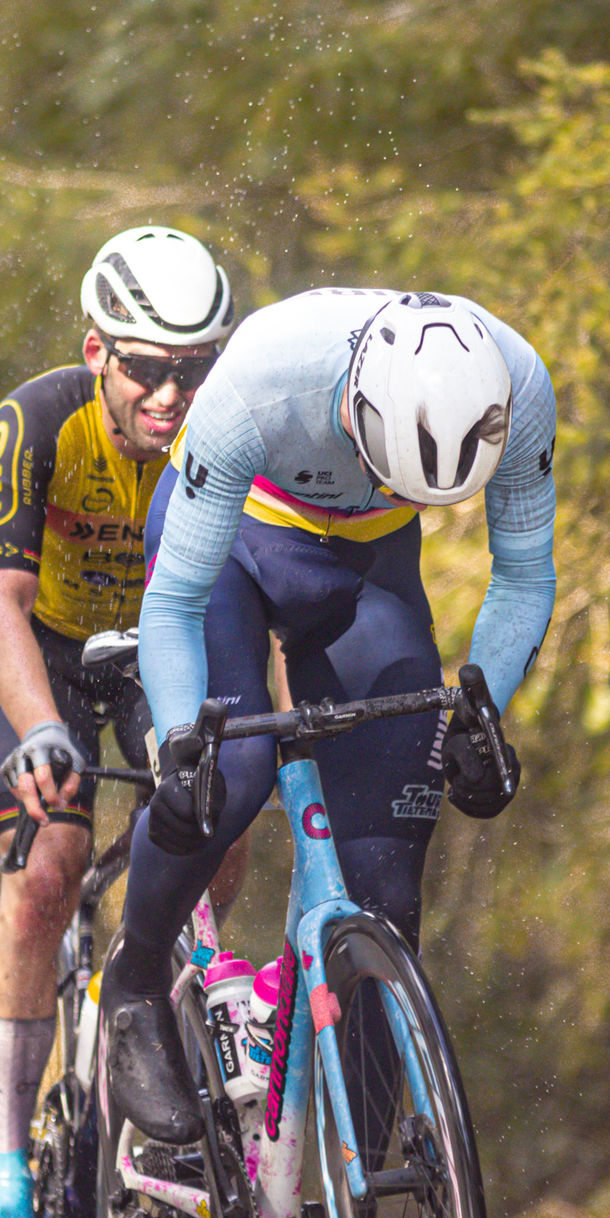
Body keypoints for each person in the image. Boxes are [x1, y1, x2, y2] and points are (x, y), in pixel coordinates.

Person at [99, 287, 555, 1152]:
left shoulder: (519, 385)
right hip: (233, 544)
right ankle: (133, 978)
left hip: (368, 563)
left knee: (386, 887)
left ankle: (372, 1210)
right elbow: (173, 604)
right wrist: (180, 745)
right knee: (227, 780)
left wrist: (484, 710)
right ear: (355, 409)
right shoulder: (263, 380)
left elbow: (526, 576)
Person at [0, 226, 245, 1218]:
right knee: (43, 871)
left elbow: (247, 603)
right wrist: (36, 728)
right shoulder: (33, 420)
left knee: (220, 825)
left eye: (195, 367)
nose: (172, 394)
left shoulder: (224, 431)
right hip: (41, 652)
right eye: (148, 368)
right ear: (96, 352)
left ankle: (151, 1011)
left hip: (150, 651)